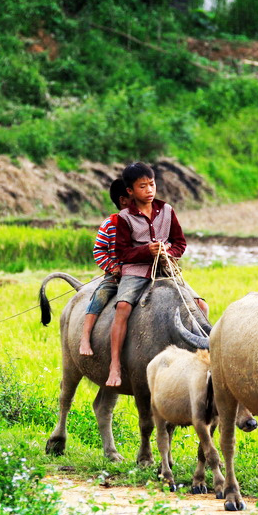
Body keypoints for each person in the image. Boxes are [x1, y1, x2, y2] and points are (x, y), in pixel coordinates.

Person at [105, 162, 208, 387]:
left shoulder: (167, 210)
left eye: (151, 184)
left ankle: (201, 359)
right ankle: (115, 364)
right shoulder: (124, 217)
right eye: (142, 186)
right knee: (123, 307)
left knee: (201, 305)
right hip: (136, 270)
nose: (149, 190)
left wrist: (169, 252)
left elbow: (180, 242)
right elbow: (122, 253)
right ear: (130, 192)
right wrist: (146, 251)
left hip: (165, 268)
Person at [79, 179, 131, 356]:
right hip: (116, 276)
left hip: (142, 274)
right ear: (124, 199)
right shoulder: (110, 224)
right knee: (100, 295)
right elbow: (99, 250)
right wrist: (112, 267)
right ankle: (85, 337)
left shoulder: (145, 221)